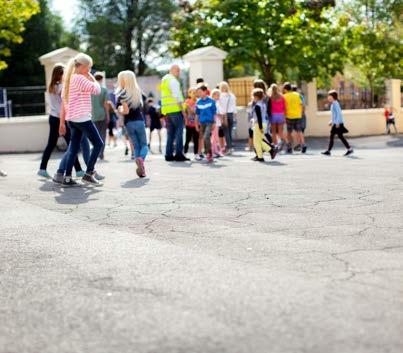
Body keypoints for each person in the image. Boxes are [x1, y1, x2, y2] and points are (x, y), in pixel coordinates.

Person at [57, 53, 104, 187]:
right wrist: (92, 78)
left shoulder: (68, 79)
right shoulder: (79, 78)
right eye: (88, 68)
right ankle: (89, 174)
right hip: (82, 117)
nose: (89, 70)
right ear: (82, 66)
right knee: (98, 144)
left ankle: (67, 178)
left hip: (72, 119)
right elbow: (97, 90)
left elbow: (64, 101)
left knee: (73, 148)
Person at [37, 64, 84, 179]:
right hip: (60, 118)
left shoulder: (51, 86)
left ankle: (42, 168)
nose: (66, 75)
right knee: (72, 144)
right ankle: (78, 170)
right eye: (64, 73)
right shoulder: (61, 86)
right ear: (59, 74)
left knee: (52, 144)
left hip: (53, 117)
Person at [116, 70, 148, 178]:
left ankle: (141, 168)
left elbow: (125, 112)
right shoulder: (138, 92)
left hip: (128, 123)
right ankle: (141, 159)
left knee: (136, 146)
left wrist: (120, 109)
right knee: (144, 145)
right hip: (139, 121)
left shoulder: (122, 94)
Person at [161, 64, 188, 162]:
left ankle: (168, 155)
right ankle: (179, 154)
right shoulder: (173, 81)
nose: (179, 72)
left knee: (170, 133)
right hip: (175, 110)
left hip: (167, 111)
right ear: (172, 70)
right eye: (177, 70)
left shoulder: (164, 80)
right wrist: (183, 112)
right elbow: (178, 98)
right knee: (179, 133)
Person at [322, 90, 353, 156]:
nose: (328, 97)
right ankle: (349, 149)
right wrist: (332, 121)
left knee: (332, 135)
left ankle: (328, 151)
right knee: (340, 136)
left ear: (333, 97)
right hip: (336, 122)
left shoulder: (335, 103)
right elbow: (335, 115)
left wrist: (337, 123)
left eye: (329, 96)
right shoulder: (333, 104)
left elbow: (339, 114)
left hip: (338, 123)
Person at [251, 88, 277, 162]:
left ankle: (262, 156)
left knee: (256, 142)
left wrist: (260, 127)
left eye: (253, 96)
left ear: (256, 97)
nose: (253, 98)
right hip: (264, 123)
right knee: (259, 141)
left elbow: (259, 117)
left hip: (258, 124)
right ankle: (270, 151)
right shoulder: (263, 104)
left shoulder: (257, 106)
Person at [91, 72, 110, 160]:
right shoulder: (104, 89)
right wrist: (108, 115)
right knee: (103, 135)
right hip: (102, 114)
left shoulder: (90, 89)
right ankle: (101, 153)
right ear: (102, 79)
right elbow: (106, 104)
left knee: (95, 135)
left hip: (92, 115)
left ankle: (96, 152)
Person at [283, 82, 306, 154]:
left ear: (285, 89)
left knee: (289, 132)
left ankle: (289, 147)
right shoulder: (297, 95)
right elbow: (302, 104)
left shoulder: (284, 96)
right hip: (298, 115)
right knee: (299, 131)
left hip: (289, 116)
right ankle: (303, 145)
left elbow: (283, 107)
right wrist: (301, 113)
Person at [195, 86, 217, 163]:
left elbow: (214, 113)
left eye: (200, 92)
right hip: (202, 123)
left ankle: (209, 153)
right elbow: (197, 114)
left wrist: (214, 123)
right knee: (203, 138)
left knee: (206, 136)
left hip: (209, 122)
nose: (199, 94)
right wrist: (196, 124)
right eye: (198, 92)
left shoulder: (212, 101)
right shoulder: (198, 102)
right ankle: (208, 153)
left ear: (205, 91)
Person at [218, 81, 237, 153]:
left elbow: (220, 106)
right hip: (231, 114)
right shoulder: (232, 95)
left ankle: (229, 147)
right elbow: (234, 107)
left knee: (226, 132)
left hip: (223, 115)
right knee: (230, 131)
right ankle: (230, 146)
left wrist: (221, 115)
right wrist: (235, 115)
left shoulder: (220, 95)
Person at [269, 83, 286, 149]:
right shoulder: (282, 96)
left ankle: (275, 146)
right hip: (280, 115)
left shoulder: (270, 97)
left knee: (273, 132)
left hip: (273, 115)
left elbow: (269, 107)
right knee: (280, 132)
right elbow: (284, 107)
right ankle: (283, 142)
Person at [183, 87, 199, 157]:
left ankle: (196, 154)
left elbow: (197, 112)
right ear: (189, 94)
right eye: (192, 93)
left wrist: (191, 109)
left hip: (196, 124)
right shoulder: (186, 102)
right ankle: (185, 153)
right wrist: (186, 119)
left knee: (196, 139)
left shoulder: (198, 101)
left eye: (195, 93)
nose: (194, 94)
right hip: (188, 124)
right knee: (187, 139)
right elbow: (184, 112)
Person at [211, 89, 223, 158]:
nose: (219, 96)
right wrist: (220, 117)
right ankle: (213, 151)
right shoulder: (213, 103)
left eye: (219, 95)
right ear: (213, 95)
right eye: (217, 95)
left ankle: (215, 151)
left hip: (217, 122)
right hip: (214, 121)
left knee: (216, 137)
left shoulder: (217, 102)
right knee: (214, 137)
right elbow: (216, 113)